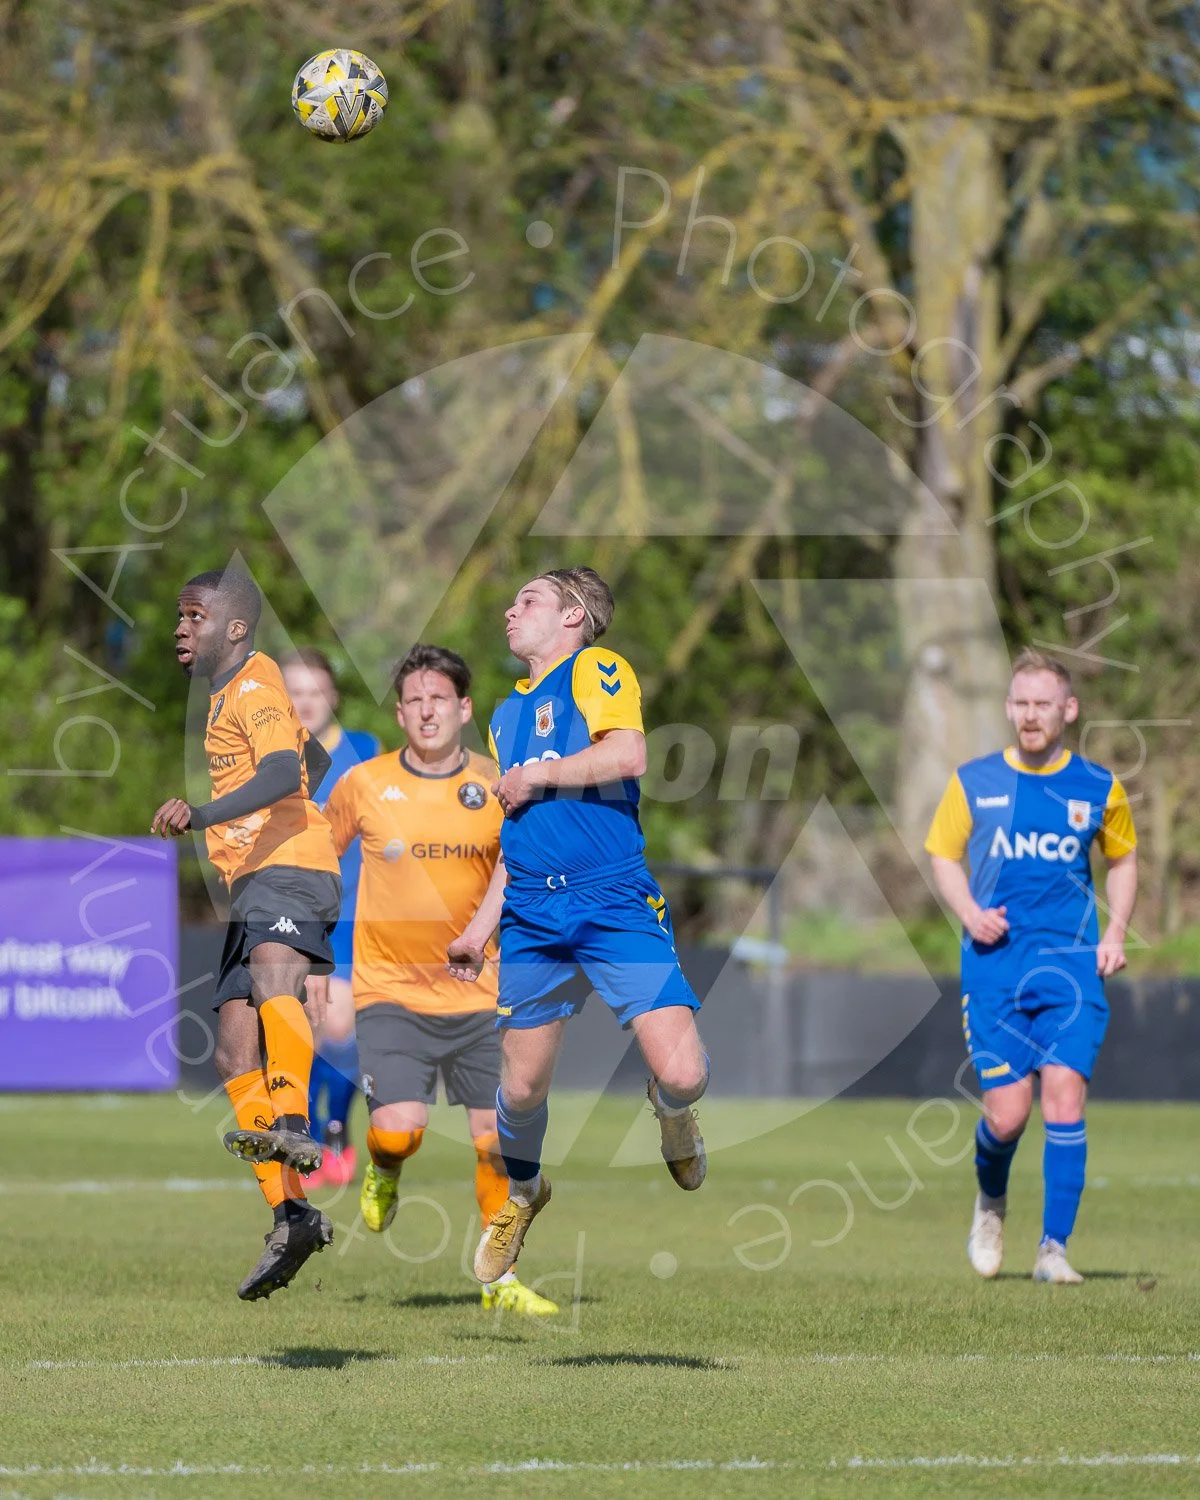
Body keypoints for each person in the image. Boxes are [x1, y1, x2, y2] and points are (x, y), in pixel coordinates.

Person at [449, 568, 709, 1289]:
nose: (510, 607)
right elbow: (518, 832)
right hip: (532, 910)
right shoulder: (505, 714)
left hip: (613, 900)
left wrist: (540, 775)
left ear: (572, 616)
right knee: (523, 1091)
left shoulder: (596, 666)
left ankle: (673, 1113)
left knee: (684, 1071)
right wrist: (479, 927)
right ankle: (525, 1196)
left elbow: (629, 755)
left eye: (527, 599)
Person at [323, 643, 559, 1316]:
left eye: (439, 700)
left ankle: (499, 1282)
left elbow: (524, 865)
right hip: (390, 991)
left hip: (482, 995)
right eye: (414, 702)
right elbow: (317, 858)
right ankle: (383, 1166)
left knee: (497, 1144)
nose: (427, 712)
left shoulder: (498, 783)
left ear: (464, 708)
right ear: (399, 713)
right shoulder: (364, 783)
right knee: (401, 1132)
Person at [152, 569, 341, 1301]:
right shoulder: (231, 694)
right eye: (179, 615)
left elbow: (284, 770)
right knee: (234, 1048)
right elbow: (310, 760)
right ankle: (291, 1215)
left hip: (289, 871)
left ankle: (294, 1115)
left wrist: (202, 814)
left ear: (235, 628)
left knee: (272, 979)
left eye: (193, 614)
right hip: (256, 880)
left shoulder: (256, 682)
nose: (180, 627)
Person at [925, 648, 1137, 1285]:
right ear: (1009, 707)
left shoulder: (1099, 786)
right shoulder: (975, 780)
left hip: (1072, 972)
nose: (1029, 715)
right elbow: (941, 853)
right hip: (995, 970)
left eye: (1042, 703)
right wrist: (968, 911)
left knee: (1065, 1100)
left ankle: (1053, 1250)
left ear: (1068, 709)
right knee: (1009, 1115)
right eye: (1020, 703)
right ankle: (990, 1204)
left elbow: (1123, 859)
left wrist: (1117, 931)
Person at [281, 649, 381, 1188]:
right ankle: (316, 1136)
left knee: (338, 1021)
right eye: (294, 691)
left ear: (332, 697)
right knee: (305, 1029)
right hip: (290, 912)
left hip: (351, 910)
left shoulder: (364, 752)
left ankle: (332, 1129)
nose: (305, 702)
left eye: (314, 691)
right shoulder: (271, 758)